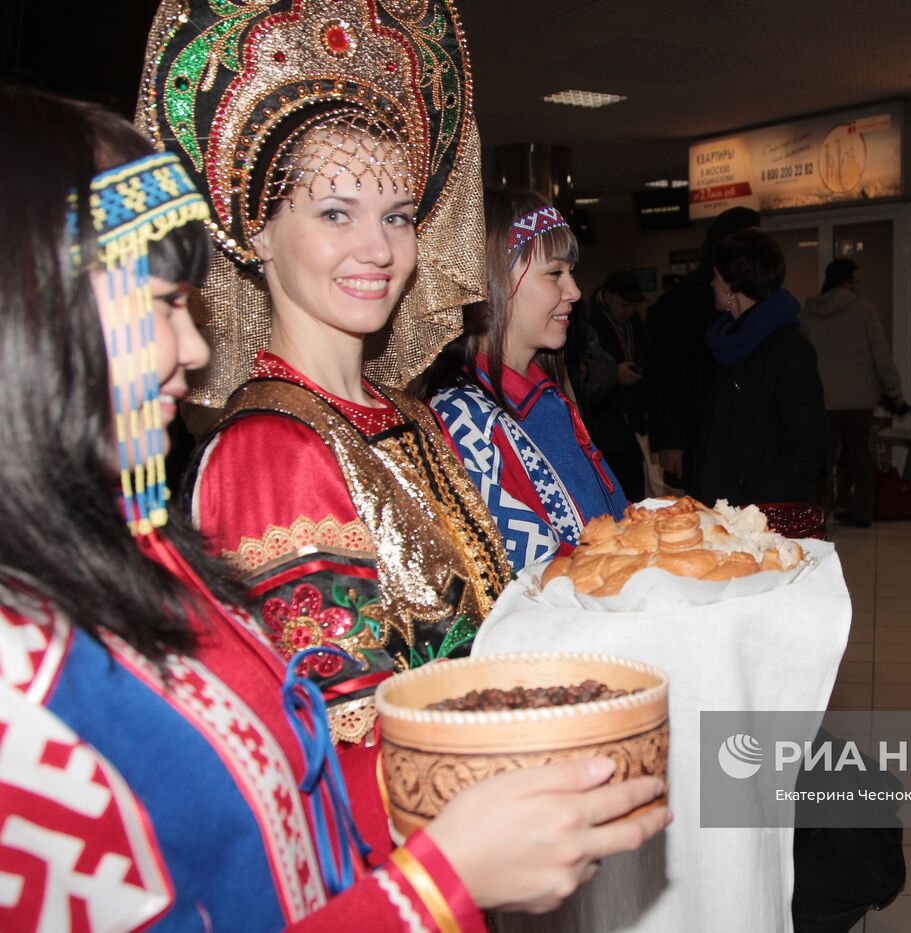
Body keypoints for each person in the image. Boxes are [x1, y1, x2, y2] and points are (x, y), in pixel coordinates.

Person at [0, 83, 668, 933]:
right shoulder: (268, 451)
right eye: (161, 303)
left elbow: (288, 785)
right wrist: (441, 876)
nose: (197, 345)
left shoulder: (136, 566)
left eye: (397, 216)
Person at [146, 0, 514, 860]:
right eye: (335, 213)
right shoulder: (271, 451)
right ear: (255, 235)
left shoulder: (408, 413)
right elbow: (345, 759)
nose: (379, 249)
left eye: (396, 215)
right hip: (415, 865)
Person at [430, 188, 629, 571]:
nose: (573, 291)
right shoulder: (462, 418)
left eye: (571, 272)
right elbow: (527, 576)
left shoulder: (549, 398)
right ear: (492, 284)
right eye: (555, 272)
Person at [690, 229, 826, 507]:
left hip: (763, 517)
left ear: (731, 285)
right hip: (726, 511)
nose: (711, 285)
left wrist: (754, 509)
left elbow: (806, 447)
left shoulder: (788, 348)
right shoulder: (728, 342)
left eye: (715, 277)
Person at [646, 206, 761, 489]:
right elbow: (667, 372)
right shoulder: (687, 298)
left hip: (732, 432)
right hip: (697, 430)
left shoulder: (750, 293)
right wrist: (671, 440)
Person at [799, 258, 908, 528]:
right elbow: (880, 354)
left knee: (823, 459)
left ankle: (819, 513)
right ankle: (860, 511)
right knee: (860, 457)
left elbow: (800, 357)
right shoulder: (864, 310)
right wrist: (894, 391)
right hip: (859, 399)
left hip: (822, 399)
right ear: (848, 280)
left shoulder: (807, 314)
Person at [584, 270, 649, 502]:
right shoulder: (590, 328)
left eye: (634, 305)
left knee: (638, 490)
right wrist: (614, 373)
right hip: (607, 425)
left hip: (634, 421)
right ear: (608, 296)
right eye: (625, 304)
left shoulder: (636, 325)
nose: (630, 311)